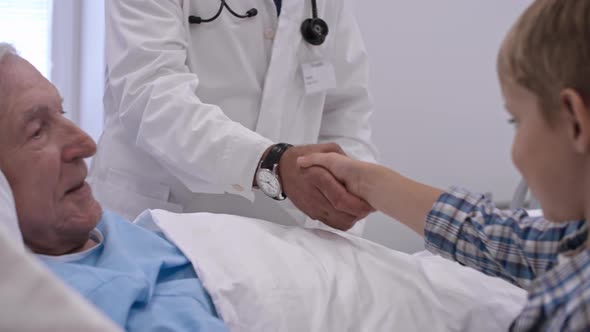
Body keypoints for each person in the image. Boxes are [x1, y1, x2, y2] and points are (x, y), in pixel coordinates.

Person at [298, 0, 590, 329]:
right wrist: (369, 183)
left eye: (517, 121)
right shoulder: (575, 243)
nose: (516, 148)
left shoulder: (572, 309)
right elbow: (497, 238)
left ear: (575, 122)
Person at [88, 0, 377, 233]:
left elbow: (346, 109)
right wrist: (270, 164)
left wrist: (343, 202)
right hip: (162, 217)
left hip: (284, 232)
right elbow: (152, 97)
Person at [0, 43, 229, 331]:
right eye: (37, 132)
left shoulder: (141, 237)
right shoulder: (44, 309)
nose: (86, 144)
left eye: (63, 112)